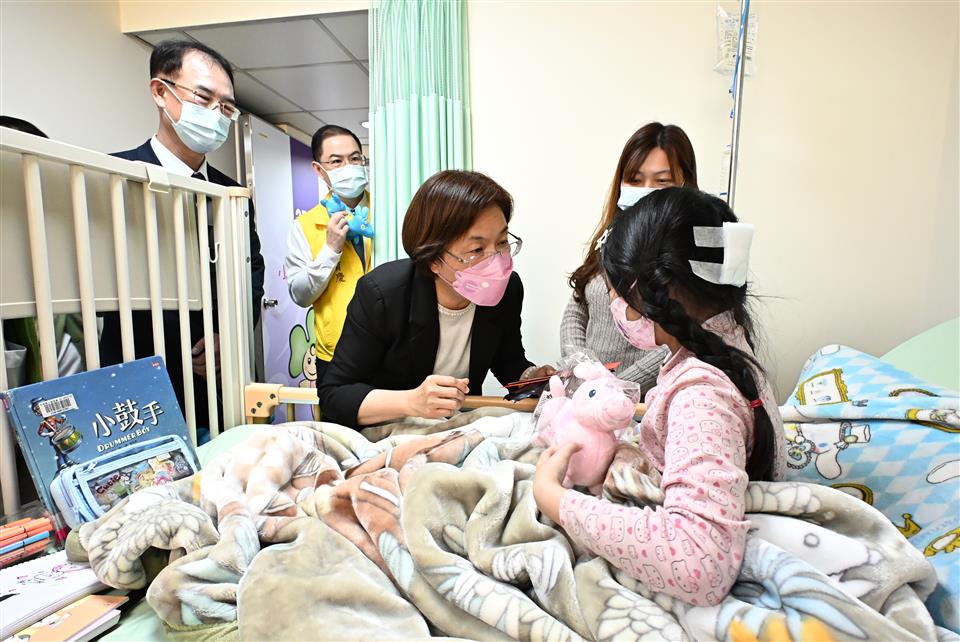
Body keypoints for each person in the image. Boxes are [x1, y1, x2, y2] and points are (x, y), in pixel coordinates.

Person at [534, 187, 786, 607]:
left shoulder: (702, 394)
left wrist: (556, 500)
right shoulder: (728, 347)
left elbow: (700, 561)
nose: (614, 306)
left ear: (656, 292)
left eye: (615, 294)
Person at [100, 40, 265, 432]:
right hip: (134, 380)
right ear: (161, 91)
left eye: (226, 107)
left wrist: (229, 333)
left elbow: (252, 270)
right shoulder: (112, 177)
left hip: (217, 381)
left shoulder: (232, 194)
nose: (216, 114)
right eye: (203, 98)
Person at [318, 170, 554, 429]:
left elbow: (508, 361)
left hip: (455, 429)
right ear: (433, 259)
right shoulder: (383, 294)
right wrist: (411, 402)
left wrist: (533, 378)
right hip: (387, 429)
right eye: (477, 249)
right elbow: (335, 394)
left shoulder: (507, 290)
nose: (496, 260)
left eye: (502, 242)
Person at [562, 122, 698, 394]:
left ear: (684, 184)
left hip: (647, 400)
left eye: (662, 181)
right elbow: (577, 306)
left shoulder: (692, 251)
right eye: (635, 180)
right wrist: (582, 368)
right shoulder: (612, 236)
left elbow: (688, 337)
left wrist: (617, 387)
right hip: (589, 395)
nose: (646, 190)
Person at [285, 125, 372, 390]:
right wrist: (331, 249)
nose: (349, 167)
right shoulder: (305, 225)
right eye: (336, 161)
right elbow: (300, 295)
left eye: (355, 158)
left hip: (393, 352)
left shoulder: (391, 211)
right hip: (336, 356)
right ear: (319, 169)